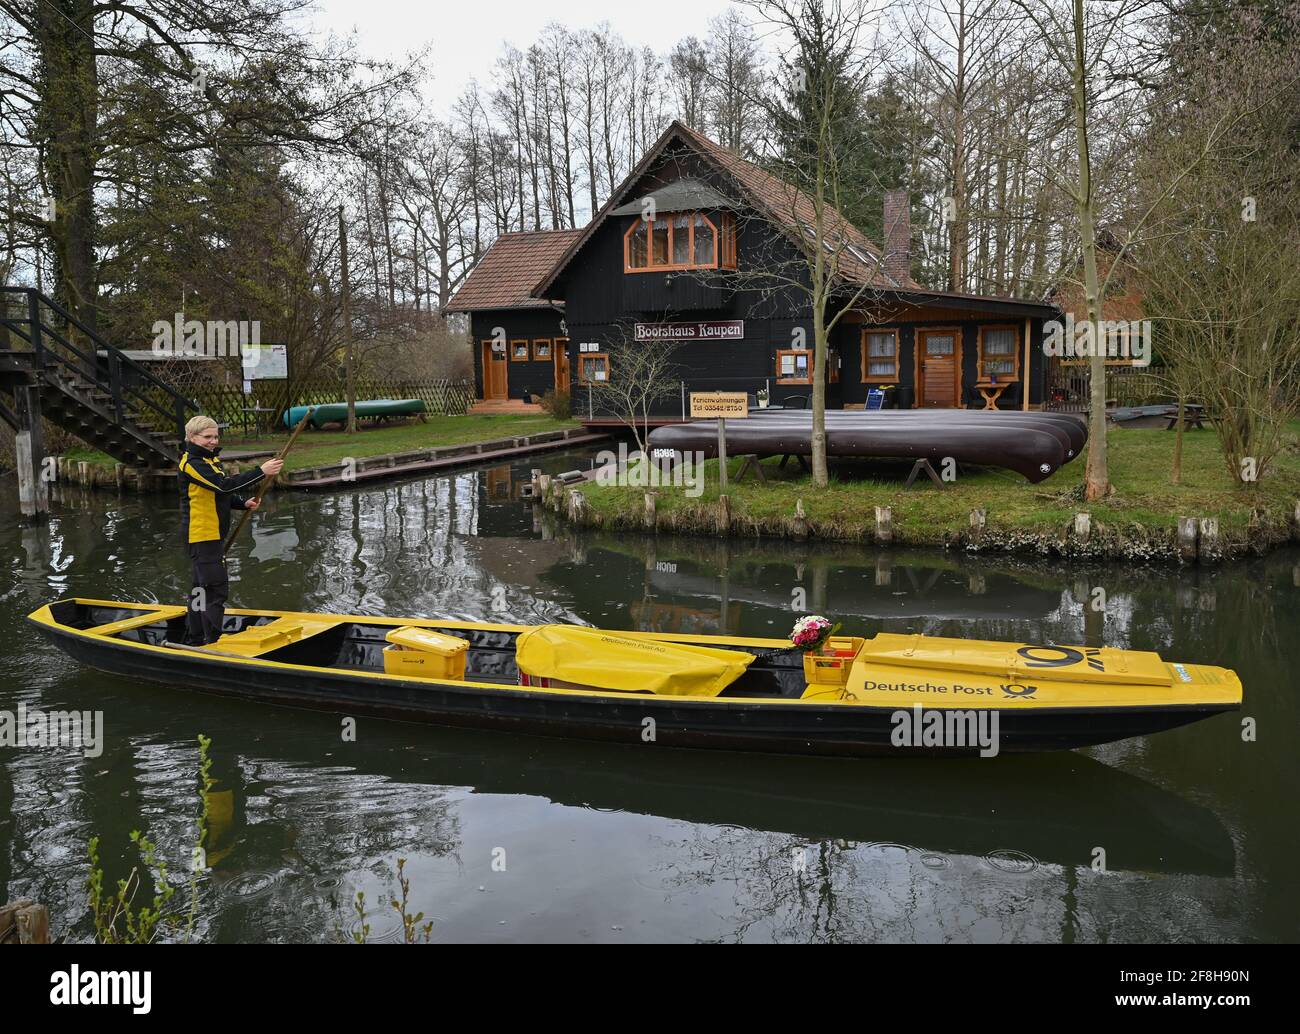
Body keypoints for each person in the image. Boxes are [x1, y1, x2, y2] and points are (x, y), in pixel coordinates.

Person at [178, 416, 283, 645]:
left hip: (212, 535)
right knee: (216, 589)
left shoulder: (210, 461)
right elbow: (221, 485)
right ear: (192, 437)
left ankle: (195, 637)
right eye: (207, 437)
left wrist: (241, 503)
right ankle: (213, 641)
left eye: (215, 436)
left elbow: (220, 494)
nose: (213, 441)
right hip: (201, 536)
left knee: (200, 589)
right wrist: (260, 471)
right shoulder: (191, 464)